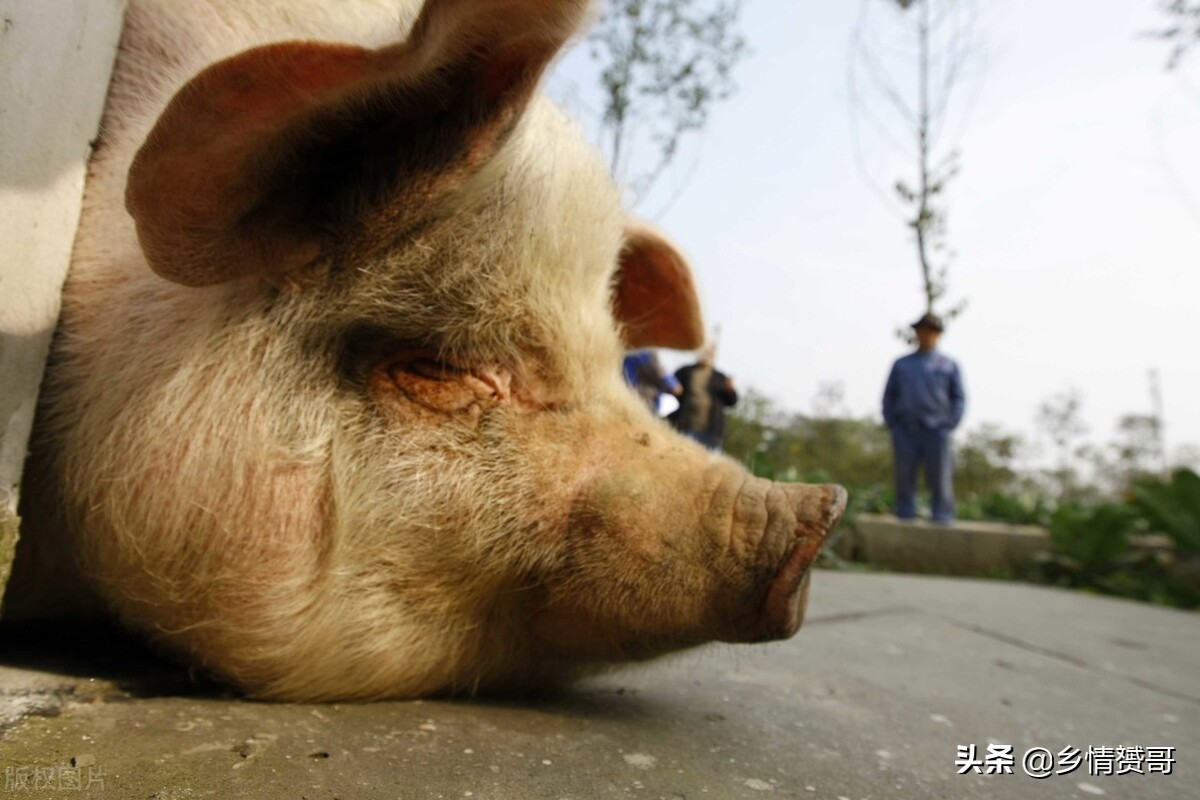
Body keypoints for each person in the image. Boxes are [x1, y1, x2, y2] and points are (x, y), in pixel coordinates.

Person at [882, 312, 966, 523]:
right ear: (916, 334)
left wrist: (950, 422)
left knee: (940, 475)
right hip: (906, 428)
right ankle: (905, 513)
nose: (925, 335)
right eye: (922, 331)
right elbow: (889, 395)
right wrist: (892, 422)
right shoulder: (902, 364)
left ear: (937, 335)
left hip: (937, 429)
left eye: (930, 331)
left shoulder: (948, 365)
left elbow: (959, 397)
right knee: (904, 474)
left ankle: (942, 515)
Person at [669, 346, 738, 450]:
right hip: (685, 427)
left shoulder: (720, 377)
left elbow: (732, 402)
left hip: (711, 434)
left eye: (711, 353)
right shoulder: (684, 371)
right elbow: (670, 389)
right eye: (705, 352)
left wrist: (731, 390)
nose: (708, 355)